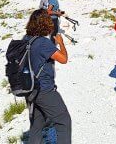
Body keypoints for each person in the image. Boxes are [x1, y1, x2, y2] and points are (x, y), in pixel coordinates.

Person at [23, 9, 71, 144]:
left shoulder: (26, 39)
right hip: (44, 90)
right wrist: (61, 43)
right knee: (63, 121)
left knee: (37, 125)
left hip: (29, 88)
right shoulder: (43, 43)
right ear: (45, 24)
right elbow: (63, 59)